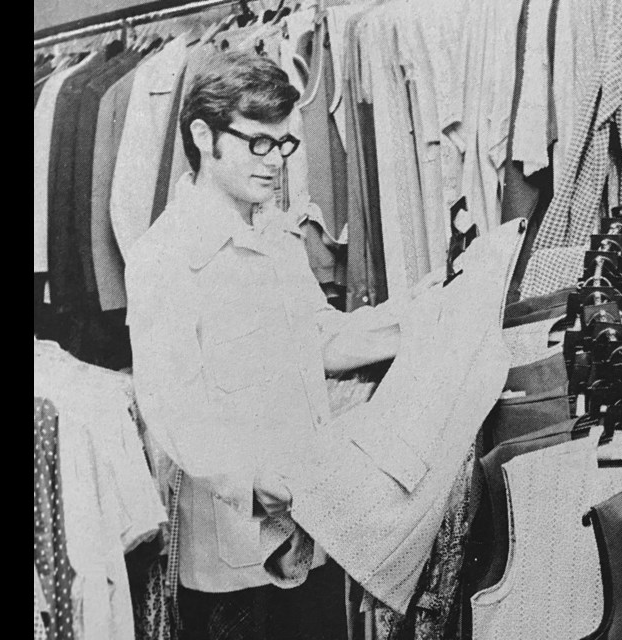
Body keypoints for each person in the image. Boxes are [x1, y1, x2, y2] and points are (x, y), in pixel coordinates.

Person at [126, 51, 438, 639]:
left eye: (284, 144)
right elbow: (172, 408)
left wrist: (416, 318)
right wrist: (249, 479)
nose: (275, 163)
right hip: (238, 551)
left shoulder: (274, 230)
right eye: (259, 144)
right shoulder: (166, 259)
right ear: (203, 136)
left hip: (313, 523)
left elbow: (316, 338)